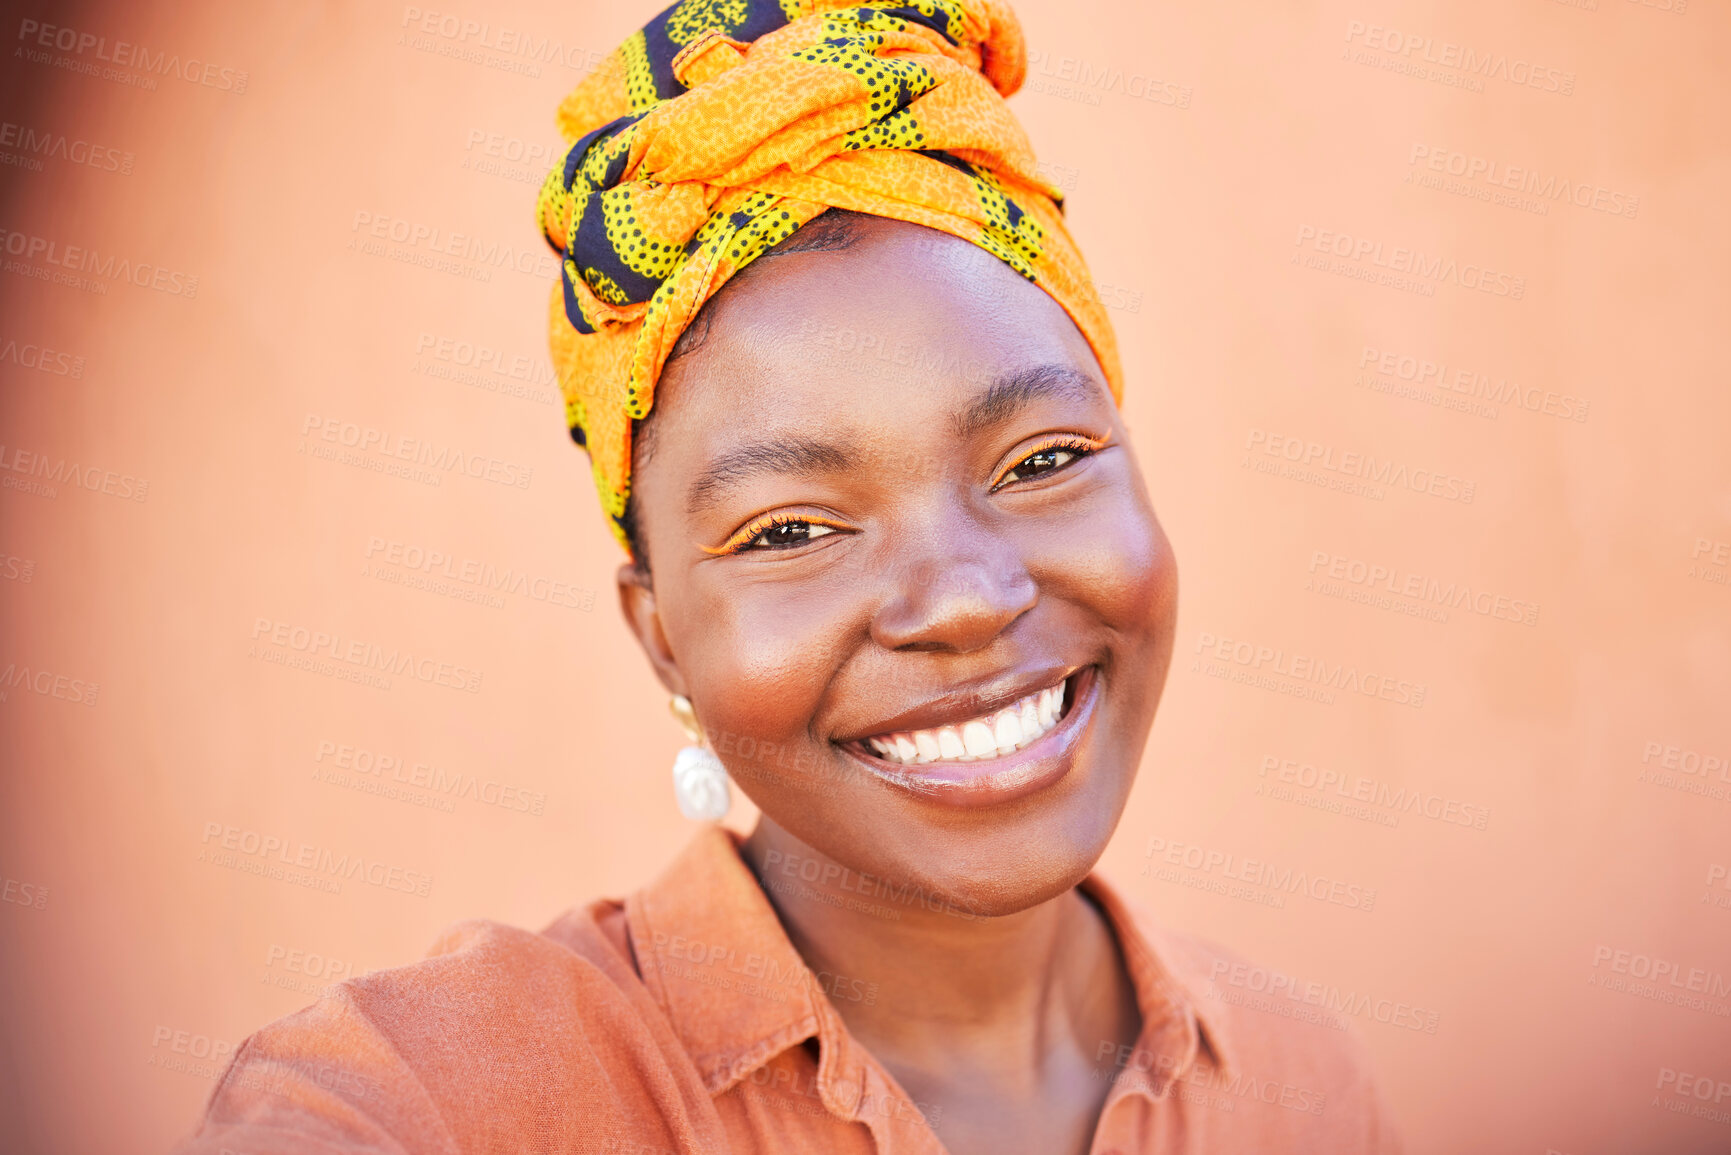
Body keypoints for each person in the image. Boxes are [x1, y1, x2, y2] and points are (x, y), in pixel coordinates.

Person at [180, 2, 1402, 1152]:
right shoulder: (438, 1097)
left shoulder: (1301, 1089)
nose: (968, 599)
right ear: (661, 638)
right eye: (789, 531)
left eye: (1042, 459)